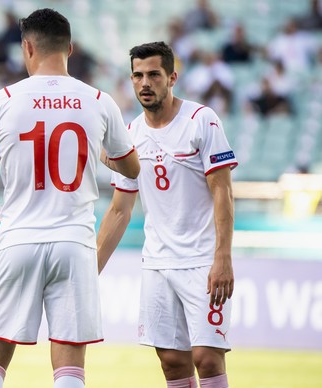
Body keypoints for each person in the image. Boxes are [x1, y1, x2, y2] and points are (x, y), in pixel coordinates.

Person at [0, 8, 140, 388]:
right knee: (70, 365)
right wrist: (99, 152)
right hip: (74, 242)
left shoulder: (3, 100)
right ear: (71, 48)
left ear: (27, 47)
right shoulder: (98, 99)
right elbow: (132, 169)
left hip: (19, 237)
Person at [97, 42, 237, 388]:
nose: (145, 83)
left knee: (206, 356)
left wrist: (222, 257)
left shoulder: (201, 120)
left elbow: (223, 190)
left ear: (172, 77)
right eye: (138, 75)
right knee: (172, 363)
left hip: (202, 260)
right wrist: (91, 269)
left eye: (154, 75)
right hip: (157, 263)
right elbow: (119, 209)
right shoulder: (130, 135)